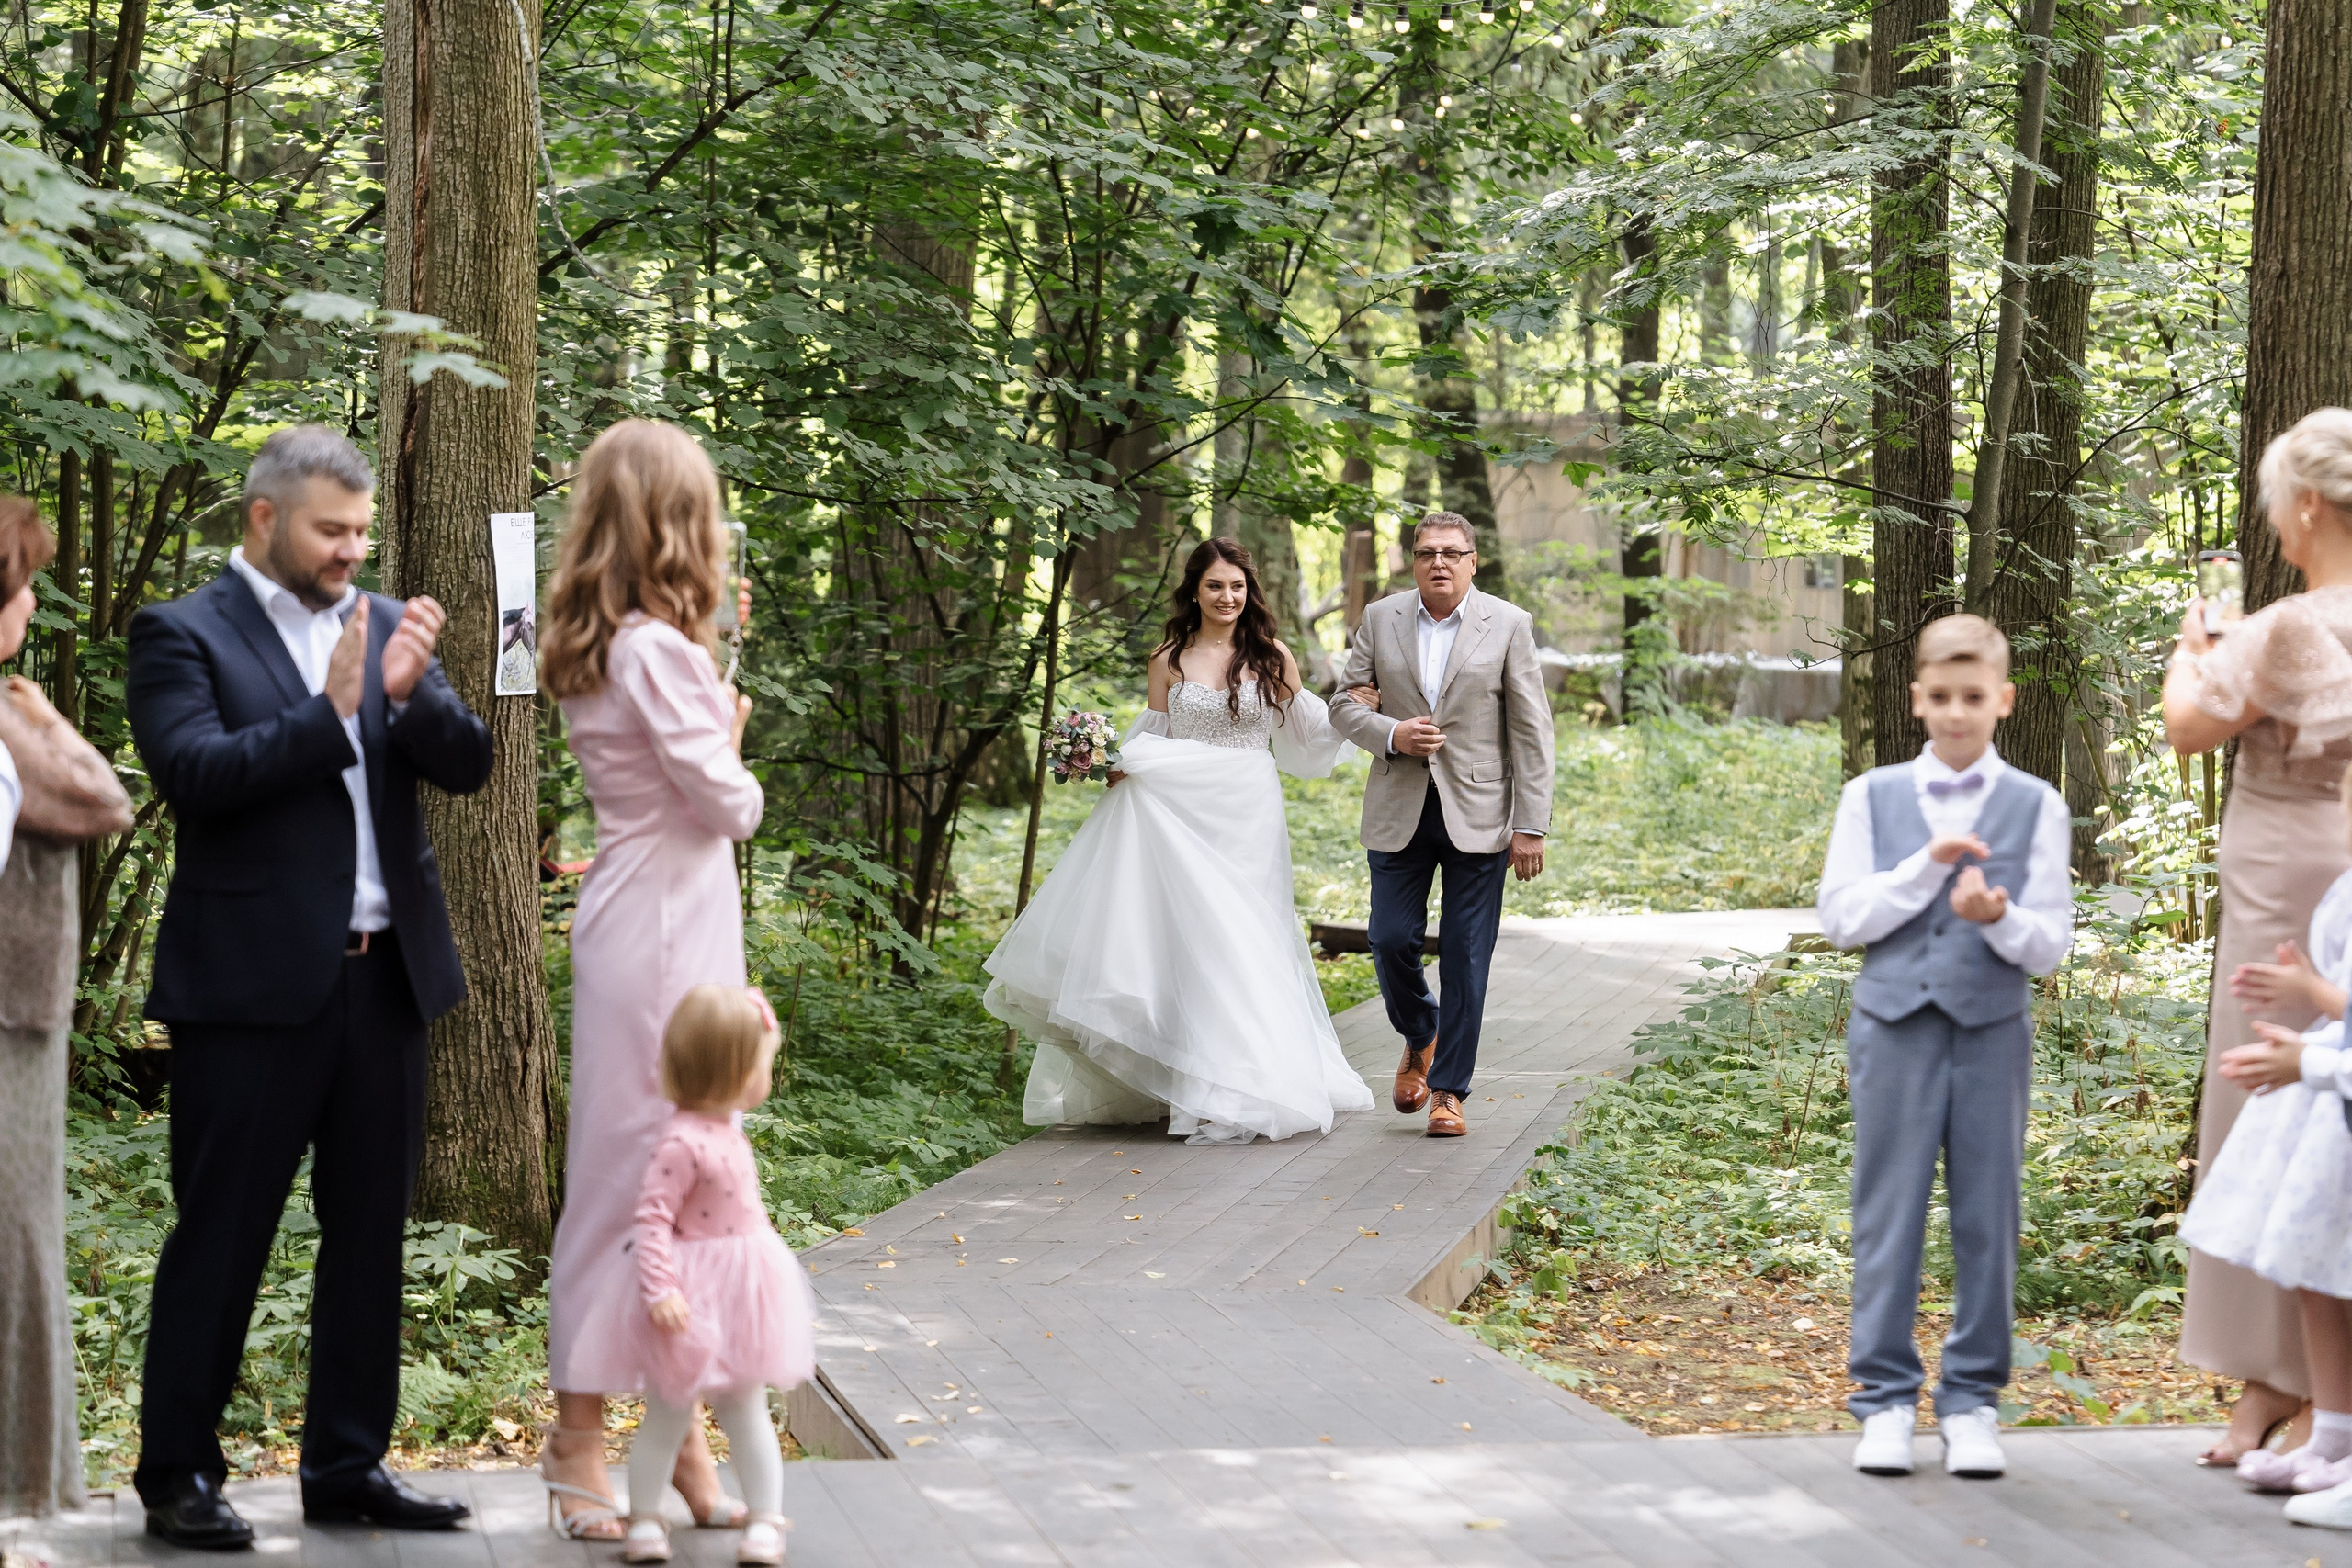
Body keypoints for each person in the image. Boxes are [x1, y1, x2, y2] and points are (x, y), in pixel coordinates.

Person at [125, 425, 493, 1546]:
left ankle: (348, 1467)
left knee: (369, 1237)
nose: (352, 551)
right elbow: (196, 776)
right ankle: (178, 1475)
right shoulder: (180, 632)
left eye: (361, 531)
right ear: (264, 519)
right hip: (245, 997)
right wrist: (332, 711)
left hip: (384, 990)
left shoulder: (380, 623)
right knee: (222, 1235)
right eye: (332, 531)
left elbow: (468, 762)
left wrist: (411, 690)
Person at [539, 420, 763, 1540]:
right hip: (667, 934)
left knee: (681, 1177)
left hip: (652, 914)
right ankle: (580, 1436)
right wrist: (729, 729)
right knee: (649, 1178)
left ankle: (668, 1435)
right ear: (677, 523)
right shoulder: (657, 653)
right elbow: (728, 805)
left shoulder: (603, 644)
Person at [987, 537, 1372, 1144]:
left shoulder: (1272, 655)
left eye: (1238, 586)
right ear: (1195, 589)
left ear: (1251, 592)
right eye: (1216, 585)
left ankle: (1242, 1082)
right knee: (1188, 937)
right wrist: (1109, 757)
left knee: (1242, 936)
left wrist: (1356, 708)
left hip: (1245, 808)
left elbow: (1306, 732)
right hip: (1180, 810)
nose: (1227, 596)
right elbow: (1157, 735)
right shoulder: (1168, 658)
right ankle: (1182, 1077)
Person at [1816, 614, 2074, 1482]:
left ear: (2002, 700)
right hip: (1891, 1026)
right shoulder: (1872, 797)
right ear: (1917, 697)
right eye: (1942, 695)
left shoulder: (2038, 803)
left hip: (1992, 1027)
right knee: (1886, 1211)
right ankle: (1884, 1398)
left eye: (1975, 696)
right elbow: (1842, 918)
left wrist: (1998, 918)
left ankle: (1971, 1401)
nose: (1958, 712)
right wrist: (1925, 869)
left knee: (1988, 1215)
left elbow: (2051, 943)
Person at [2166, 407, 2352, 1465]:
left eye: (2282, 497)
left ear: (2311, 504)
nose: (2276, 518)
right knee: (2333, 1103)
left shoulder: (2285, 625)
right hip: (2345, 864)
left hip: (2287, 873)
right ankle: (2313, 1392)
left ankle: (2273, 1378)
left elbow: (2189, 725)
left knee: (2263, 1099)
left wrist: (2190, 651)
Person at [1327, 511, 1555, 1139]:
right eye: (1427, 552)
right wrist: (1391, 732)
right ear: (1413, 559)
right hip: (1399, 803)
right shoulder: (1382, 617)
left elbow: (1532, 729)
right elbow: (1345, 702)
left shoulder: (1508, 623)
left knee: (1464, 953)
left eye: (1452, 553)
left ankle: (1449, 1090)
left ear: (1472, 560)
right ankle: (1420, 1033)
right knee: (1389, 937)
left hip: (1480, 814)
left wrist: (1530, 823)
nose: (1439, 563)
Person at [567, 986, 812, 1566]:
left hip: (742, 1297)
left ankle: (764, 1520)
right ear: (732, 1073)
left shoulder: (730, 1128)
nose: (768, 1076)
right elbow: (651, 1222)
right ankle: (646, 1519)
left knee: (747, 1408)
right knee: (669, 1411)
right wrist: (661, 1291)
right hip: (691, 1297)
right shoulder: (681, 1142)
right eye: (763, 1064)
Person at [0, 498, 132, 1521]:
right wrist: (38, 715)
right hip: (11, 1017)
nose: (35, 604)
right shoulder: (8, 730)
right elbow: (102, 800)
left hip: (26, 1014)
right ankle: (15, 1500)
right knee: (17, 1245)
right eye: (24, 589)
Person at [2180, 769, 2352, 1517]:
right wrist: (2307, 1004)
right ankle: (2333, 1432)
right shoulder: (2345, 889)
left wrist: (2311, 1036)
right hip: (2330, 1104)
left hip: (2333, 1083)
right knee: (2307, 1266)